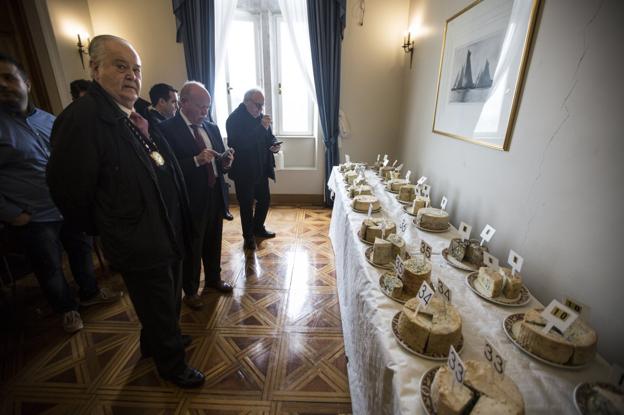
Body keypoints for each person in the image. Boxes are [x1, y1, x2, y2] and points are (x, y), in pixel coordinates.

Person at [46, 35, 204, 388]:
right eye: (121, 66)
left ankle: (157, 343)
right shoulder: (82, 119)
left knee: (162, 301)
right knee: (159, 302)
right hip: (138, 237)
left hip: (165, 228)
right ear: (95, 68)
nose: (132, 75)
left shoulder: (135, 115)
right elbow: (68, 191)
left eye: (136, 68)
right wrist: (111, 226)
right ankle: (172, 365)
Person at [0, 54, 121, 333]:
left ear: (27, 83)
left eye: (9, 77)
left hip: (67, 205)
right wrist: (12, 213)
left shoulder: (50, 119)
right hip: (33, 215)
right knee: (49, 266)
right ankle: (66, 309)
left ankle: (89, 294)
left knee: (81, 253)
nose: (3, 84)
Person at [159, 81, 234, 310]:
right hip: (189, 201)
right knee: (192, 246)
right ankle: (190, 291)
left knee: (213, 240)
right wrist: (195, 161)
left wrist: (225, 163)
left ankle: (213, 279)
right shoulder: (165, 131)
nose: (205, 111)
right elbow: (164, 170)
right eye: (201, 106)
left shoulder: (211, 127)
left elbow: (217, 164)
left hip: (214, 195)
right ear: (183, 103)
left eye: (208, 107)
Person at [226, 88, 280, 250]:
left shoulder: (261, 118)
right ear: (247, 101)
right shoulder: (234, 119)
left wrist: (274, 145)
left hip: (262, 168)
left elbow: (269, 137)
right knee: (246, 204)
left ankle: (258, 228)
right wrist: (261, 128)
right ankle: (248, 236)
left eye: (262, 105)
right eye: (258, 105)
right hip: (244, 171)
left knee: (264, 200)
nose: (261, 109)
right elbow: (238, 144)